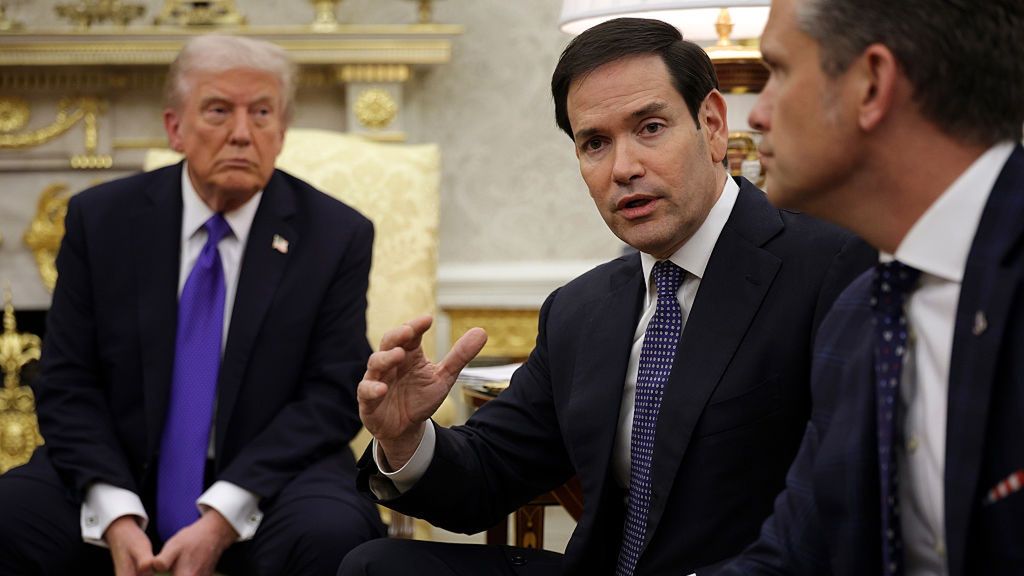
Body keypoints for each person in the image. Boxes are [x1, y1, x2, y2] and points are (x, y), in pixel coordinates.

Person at [340, 17, 873, 576]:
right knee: (374, 564)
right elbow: (489, 477)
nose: (624, 169)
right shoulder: (580, 309)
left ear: (712, 125)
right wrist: (405, 440)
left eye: (650, 128)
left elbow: (847, 504)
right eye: (595, 143)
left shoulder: (831, 268)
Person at [0, 35, 384, 575]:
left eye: (262, 113)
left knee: (334, 530)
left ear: (281, 132)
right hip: (121, 465)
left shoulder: (335, 234)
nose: (242, 134)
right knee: (11, 514)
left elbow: (330, 393)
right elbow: (67, 380)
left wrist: (222, 515)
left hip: (268, 476)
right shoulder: (101, 220)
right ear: (174, 127)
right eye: (218, 111)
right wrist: (116, 516)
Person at [714, 0, 1024, 575]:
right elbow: (794, 557)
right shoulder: (862, 311)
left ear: (871, 84)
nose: (757, 115)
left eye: (778, 71)